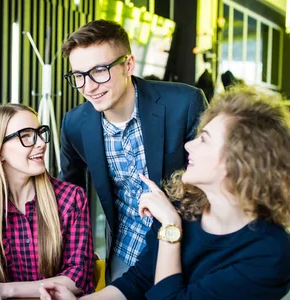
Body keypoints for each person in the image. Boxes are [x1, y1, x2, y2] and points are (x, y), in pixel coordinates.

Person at [40, 86, 290, 300]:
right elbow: (139, 280)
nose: (188, 145)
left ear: (241, 162)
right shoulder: (182, 207)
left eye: (204, 139)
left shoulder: (272, 252)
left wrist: (169, 227)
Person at [59, 20, 207, 283]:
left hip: (188, 252)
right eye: (79, 76)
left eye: (100, 71)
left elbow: (212, 182)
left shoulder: (184, 103)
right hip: (125, 256)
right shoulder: (75, 125)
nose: (89, 86)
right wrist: (79, 254)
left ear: (128, 64)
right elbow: (68, 194)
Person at [0, 104, 95, 299]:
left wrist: (7, 290)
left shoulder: (71, 198)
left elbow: (77, 279)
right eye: (26, 136)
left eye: (39, 133)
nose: (41, 144)